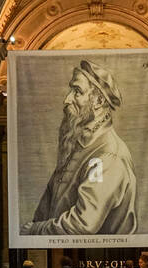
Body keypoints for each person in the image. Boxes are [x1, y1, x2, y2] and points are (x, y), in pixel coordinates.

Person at [20, 60, 137, 236]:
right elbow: (45, 209)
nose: (67, 99)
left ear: (98, 101)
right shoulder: (77, 146)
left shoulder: (108, 155)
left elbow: (83, 224)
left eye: (77, 91)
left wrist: (36, 230)